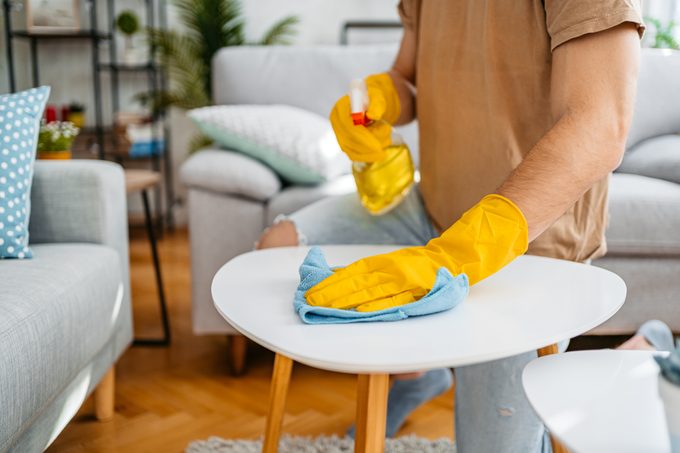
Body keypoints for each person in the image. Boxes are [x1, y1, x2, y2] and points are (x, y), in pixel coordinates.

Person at [257, 1, 650, 451]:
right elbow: (408, 79)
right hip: (431, 210)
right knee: (277, 251)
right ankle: (414, 375)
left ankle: (622, 369)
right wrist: (380, 97)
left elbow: (600, 125)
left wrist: (457, 254)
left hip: (529, 249)